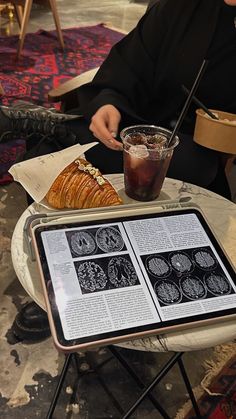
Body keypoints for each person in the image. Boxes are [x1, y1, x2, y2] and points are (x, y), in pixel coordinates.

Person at [2, 0, 236, 341]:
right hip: (134, 128)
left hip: (197, 153)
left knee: (189, 165)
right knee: (52, 157)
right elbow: (127, 66)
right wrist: (108, 100)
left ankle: (57, 126)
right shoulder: (178, 7)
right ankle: (60, 280)